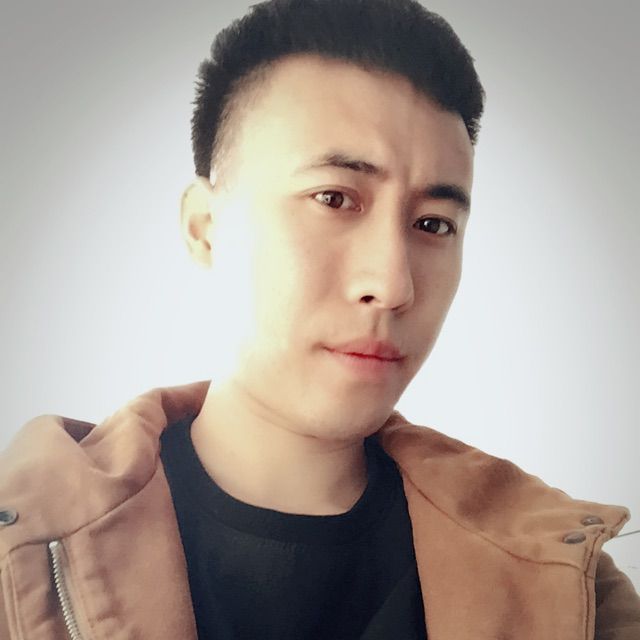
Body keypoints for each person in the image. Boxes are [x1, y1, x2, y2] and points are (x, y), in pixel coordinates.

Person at [0, 0, 638, 638]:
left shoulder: (567, 585)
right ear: (205, 228)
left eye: (433, 224)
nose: (392, 286)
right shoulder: (21, 562)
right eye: (334, 198)